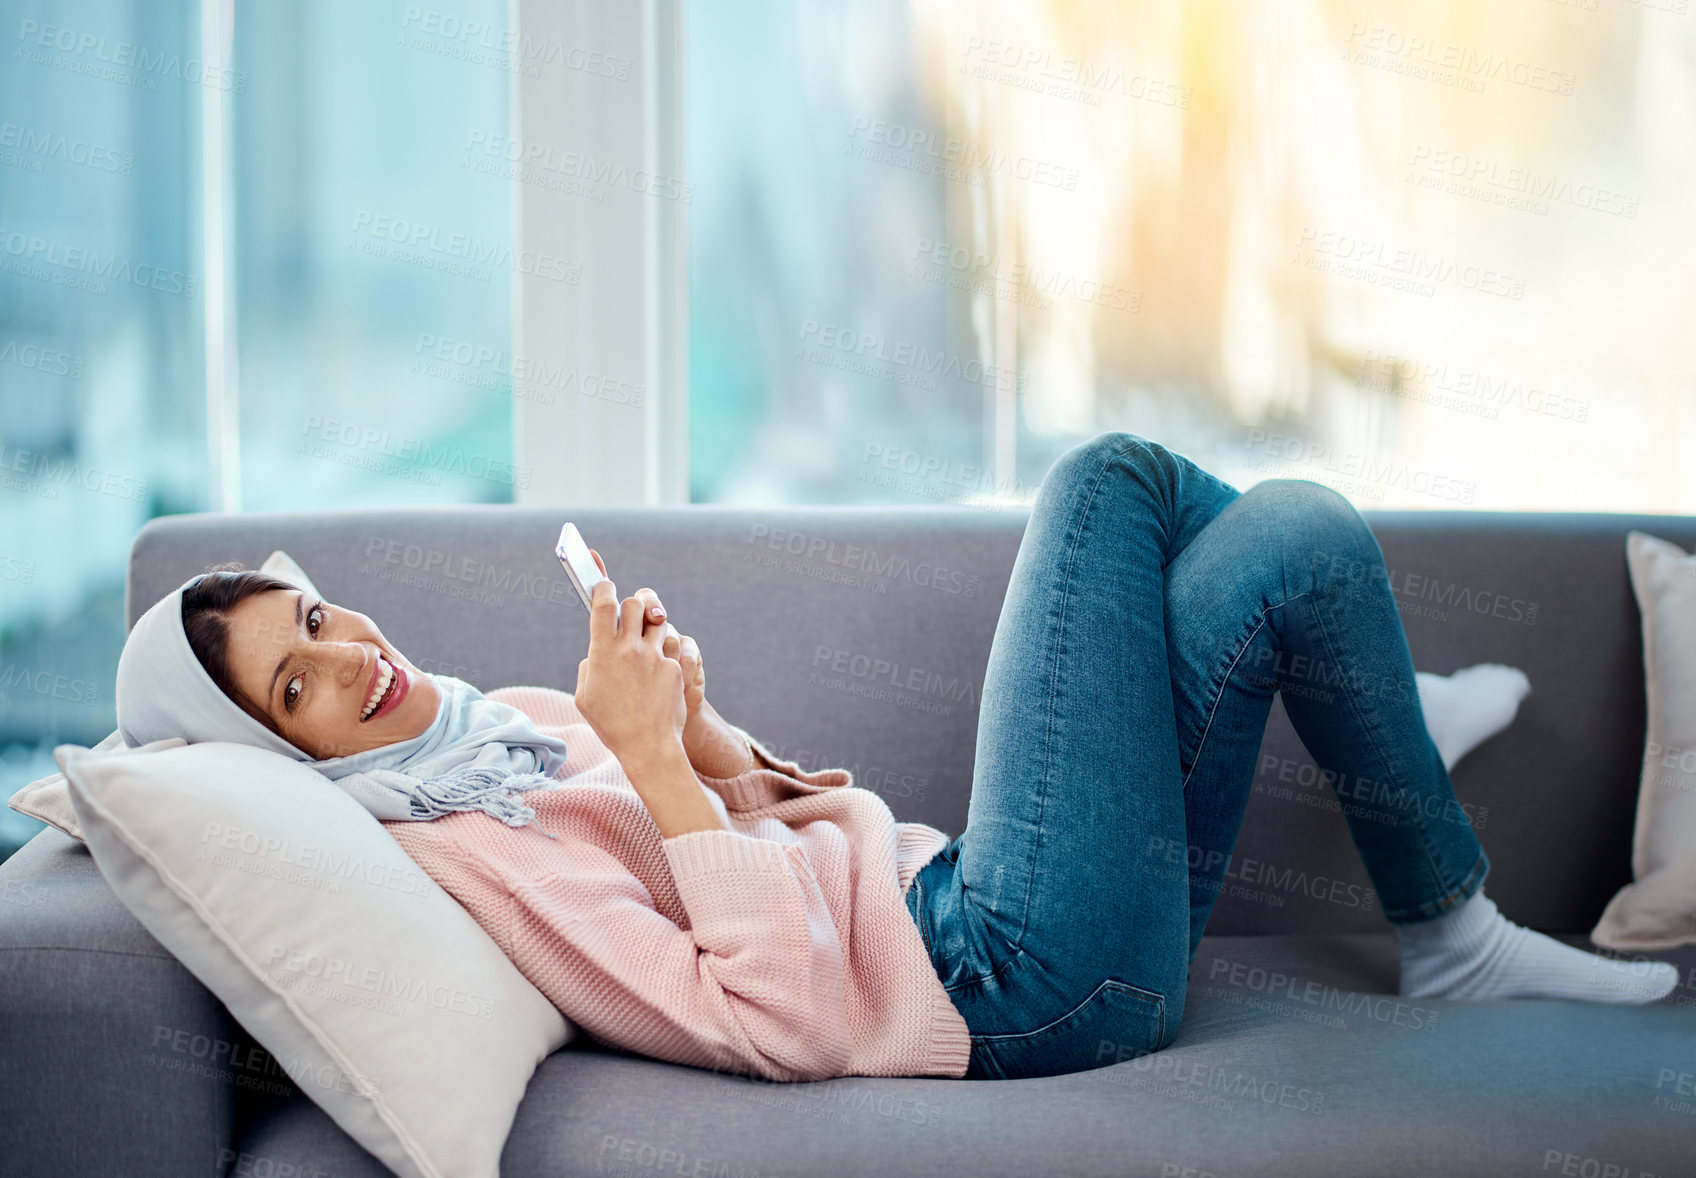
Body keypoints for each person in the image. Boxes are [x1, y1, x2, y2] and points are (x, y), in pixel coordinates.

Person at [111, 431, 1678, 1084]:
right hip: (1004, 977)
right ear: (283, 752)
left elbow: (781, 843)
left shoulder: (495, 720)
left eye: (313, 616)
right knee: (1108, 479)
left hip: (990, 904)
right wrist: (657, 772)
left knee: (1294, 537)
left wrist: (704, 736)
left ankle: (1441, 905)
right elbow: (770, 1015)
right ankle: (1400, 780)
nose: (347, 655)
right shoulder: (455, 861)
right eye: (298, 688)